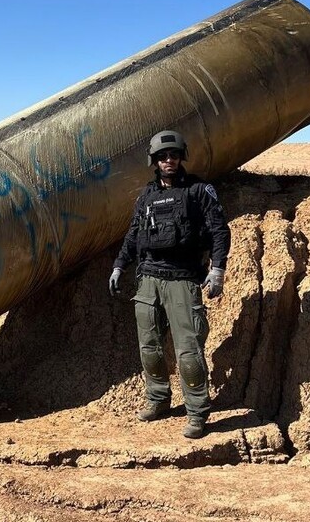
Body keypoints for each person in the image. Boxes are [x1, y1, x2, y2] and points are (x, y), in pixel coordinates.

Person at [109, 130, 230, 439]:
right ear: (154, 161)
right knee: (149, 346)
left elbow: (219, 231)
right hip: (148, 279)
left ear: (181, 157)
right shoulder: (146, 196)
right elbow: (134, 234)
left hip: (183, 280)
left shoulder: (198, 191)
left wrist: (217, 269)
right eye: (162, 156)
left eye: (174, 155)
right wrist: (120, 265)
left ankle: (197, 412)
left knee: (188, 351)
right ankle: (158, 399)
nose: (168, 160)